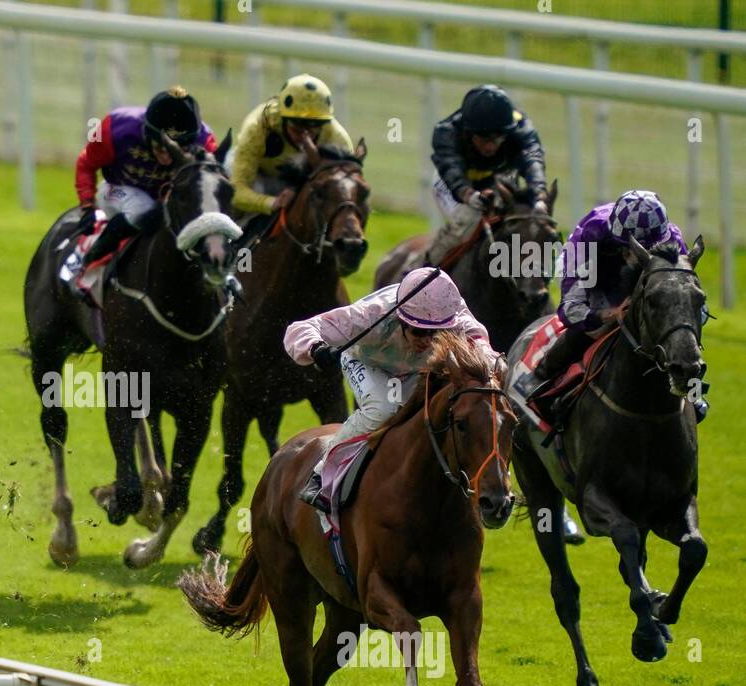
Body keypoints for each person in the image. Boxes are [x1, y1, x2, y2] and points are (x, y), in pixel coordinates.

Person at [283, 268, 498, 508]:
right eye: (418, 331)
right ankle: (322, 476)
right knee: (384, 407)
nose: (426, 340)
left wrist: (493, 366)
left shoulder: (458, 320)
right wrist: (315, 348)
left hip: (417, 371)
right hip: (366, 361)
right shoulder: (373, 313)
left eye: (435, 333)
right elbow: (300, 329)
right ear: (401, 319)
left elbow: (484, 351)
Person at [514, 189, 709, 422]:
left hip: (648, 284)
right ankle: (540, 378)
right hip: (597, 281)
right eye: (627, 248)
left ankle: (694, 389)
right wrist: (608, 314)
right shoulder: (591, 232)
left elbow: (685, 299)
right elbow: (570, 309)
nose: (634, 255)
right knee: (590, 329)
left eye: (642, 251)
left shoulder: (671, 238)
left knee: (678, 323)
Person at [69, 86, 218, 286]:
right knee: (143, 207)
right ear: (147, 134)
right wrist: (87, 206)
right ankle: (86, 259)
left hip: (166, 200)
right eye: (159, 147)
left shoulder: (206, 143)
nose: (166, 158)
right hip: (118, 189)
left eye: (176, 151)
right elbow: (86, 163)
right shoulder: (113, 128)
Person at [427, 84, 548, 266]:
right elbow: (452, 170)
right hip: (452, 185)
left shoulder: (520, 127)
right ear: (468, 132)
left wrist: (539, 196)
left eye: (498, 138)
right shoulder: (446, 132)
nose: (491, 146)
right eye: (484, 139)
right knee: (467, 220)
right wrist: (468, 194)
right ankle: (423, 272)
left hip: (497, 178)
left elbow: (533, 160)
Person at [227, 74, 354, 219]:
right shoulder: (258, 125)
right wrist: (271, 203)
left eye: (315, 126)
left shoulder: (337, 139)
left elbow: (346, 193)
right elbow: (236, 191)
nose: (305, 135)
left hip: (296, 185)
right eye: (298, 126)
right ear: (283, 117)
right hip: (255, 175)